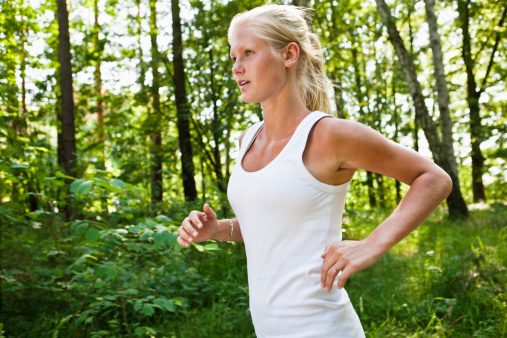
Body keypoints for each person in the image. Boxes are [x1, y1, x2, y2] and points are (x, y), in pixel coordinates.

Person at [177, 4, 452, 337]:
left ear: (289, 54)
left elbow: (434, 179)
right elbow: (275, 228)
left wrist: (372, 244)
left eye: (248, 53)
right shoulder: (246, 140)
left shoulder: (329, 135)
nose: (237, 68)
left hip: (323, 328)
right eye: (234, 57)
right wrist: (218, 230)